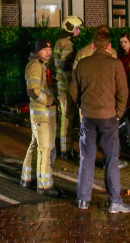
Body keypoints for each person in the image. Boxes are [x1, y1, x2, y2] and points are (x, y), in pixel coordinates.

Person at [69, 34, 130, 213]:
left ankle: (83, 199)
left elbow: (73, 89)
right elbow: (123, 91)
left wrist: (82, 105)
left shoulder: (83, 64)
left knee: (86, 158)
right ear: (109, 46)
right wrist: (118, 113)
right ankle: (115, 200)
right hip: (108, 117)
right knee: (111, 159)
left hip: (88, 117)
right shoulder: (115, 64)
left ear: (93, 45)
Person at [21, 37, 63, 196]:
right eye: (45, 49)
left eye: (50, 49)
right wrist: (50, 101)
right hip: (42, 113)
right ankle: (45, 185)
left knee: (35, 144)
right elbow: (33, 91)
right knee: (46, 148)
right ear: (38, 50)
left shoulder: (42, 66)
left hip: (45, 114)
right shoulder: (35, 66)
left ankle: (26, 177)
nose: (48, 52)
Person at [53, 15, 83, 159]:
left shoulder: (59, 42)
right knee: (67, 117)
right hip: (65, 86)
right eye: (77, 29)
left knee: (62, 116)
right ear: (70, 28)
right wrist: (73, 86)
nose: (79, 31)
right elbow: (66, 67)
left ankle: (61, 147)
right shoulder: (68, 45)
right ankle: (66, 150)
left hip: (59, 85)